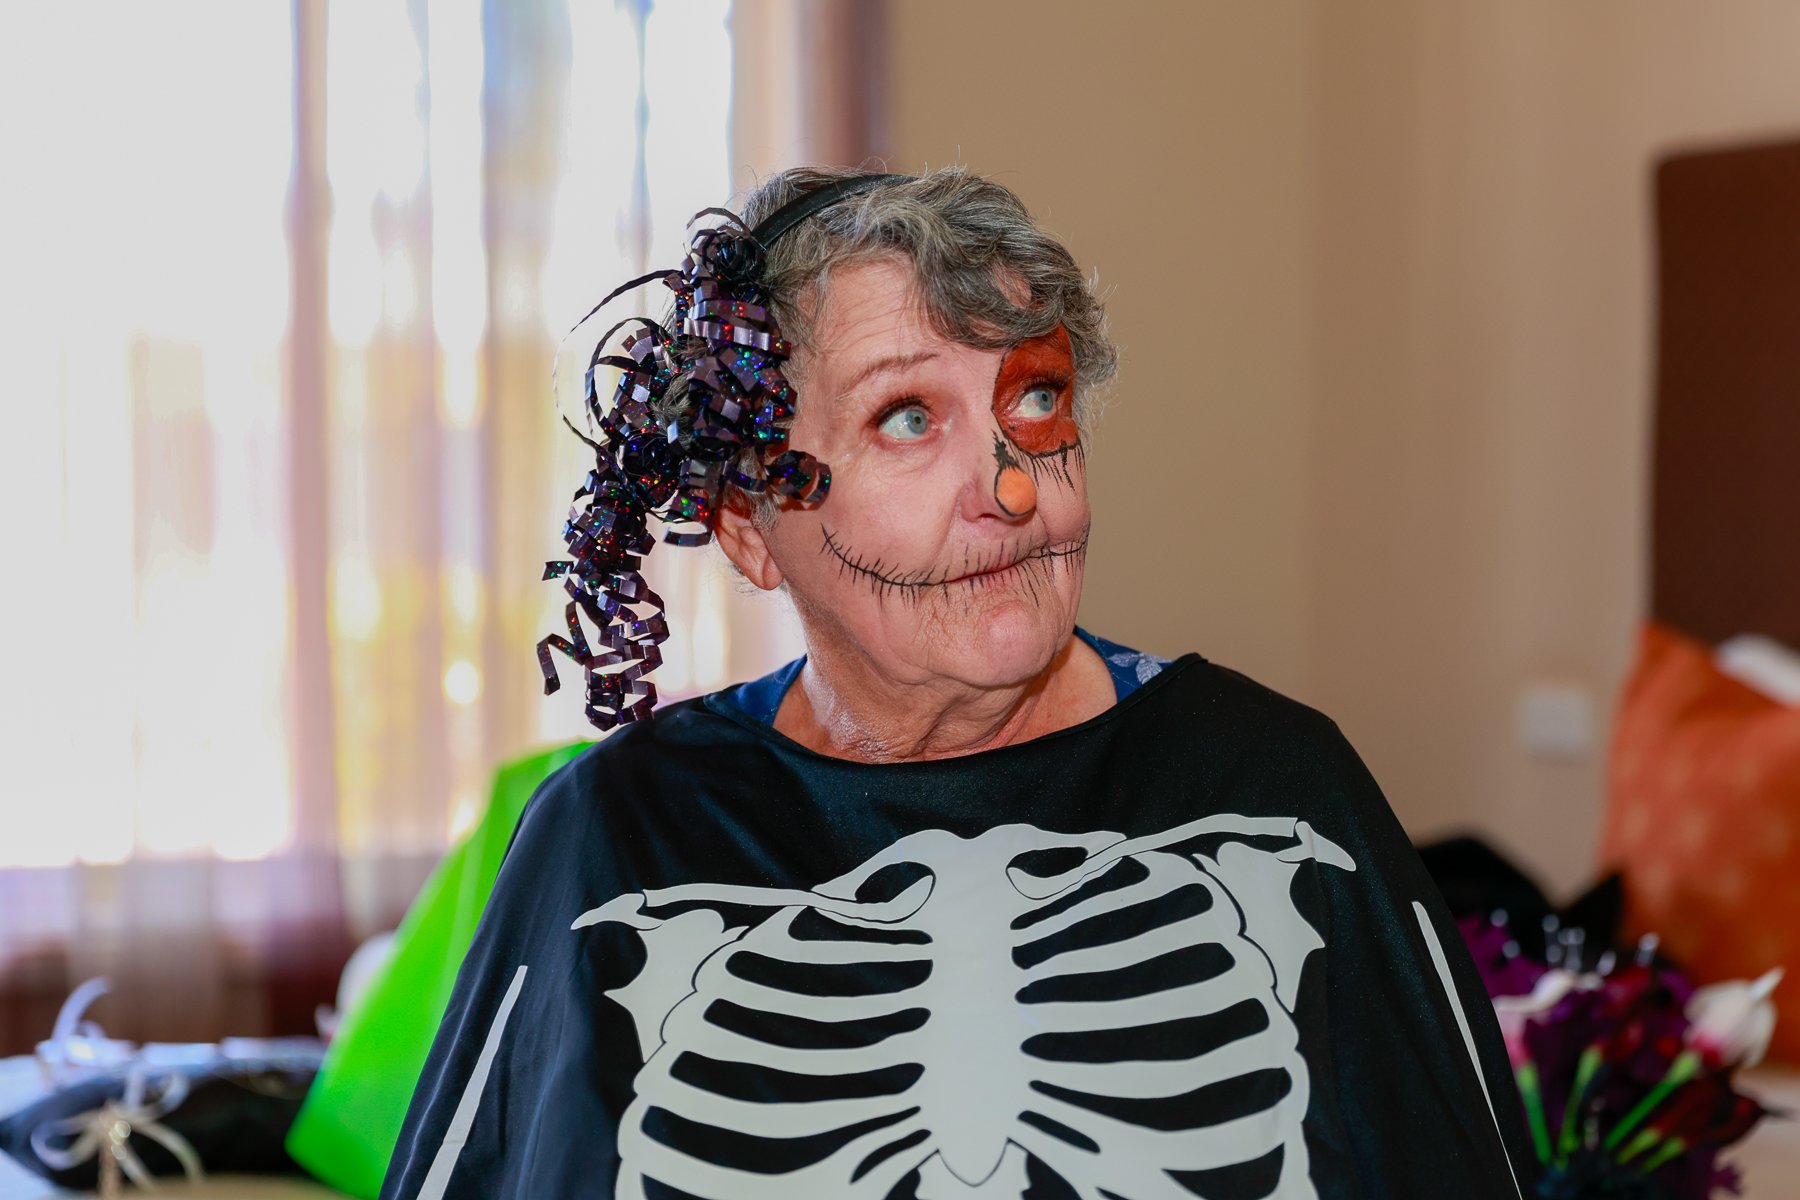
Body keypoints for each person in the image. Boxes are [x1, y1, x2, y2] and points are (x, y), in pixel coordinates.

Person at [380, 167, 1537, 1199]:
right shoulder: (617, 833)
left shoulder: (1279, 788)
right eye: (907, 416)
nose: (1012, 487)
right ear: (745, 525)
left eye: (1035, 400)